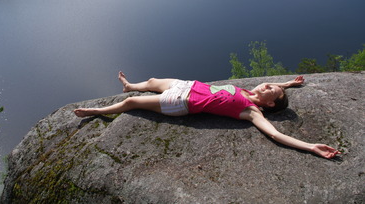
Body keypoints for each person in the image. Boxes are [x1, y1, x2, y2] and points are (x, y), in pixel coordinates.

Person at [74, 72, 340, 159]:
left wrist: (311, 147)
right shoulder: (250, 91)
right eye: (269, 83)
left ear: (270, 105)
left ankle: (97, 112)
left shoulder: (251, 111)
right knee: (152, 80)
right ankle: (129, 84)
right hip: (187, 85)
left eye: (272, 89)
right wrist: (291, 84)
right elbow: (276, 88)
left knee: (132, 103)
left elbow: (275, 134)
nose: (268, 84)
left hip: (182, 101)